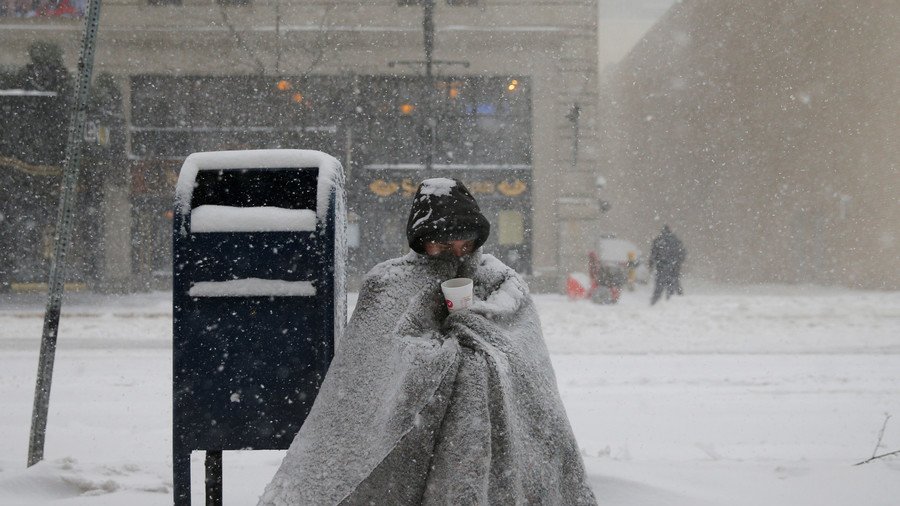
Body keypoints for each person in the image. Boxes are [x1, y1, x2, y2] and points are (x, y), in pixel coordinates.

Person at [258, 178, 596, 505]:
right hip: (410, 448)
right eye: (445, 245)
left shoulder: (499, 282)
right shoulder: (388, 284)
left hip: (491, 446)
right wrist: (433, 342)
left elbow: (526, 371)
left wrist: (472, 332)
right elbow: (370, 375)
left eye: (467, 244)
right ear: (421, 241)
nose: (458, 253)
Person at [648, 224, 686, 305]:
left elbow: (653, 255)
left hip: (661, 267)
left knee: (659, 287)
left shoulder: (658, 241)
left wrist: (651, 266)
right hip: (673, 268)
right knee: (672, 285)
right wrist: (678, 263)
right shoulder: (676, 241)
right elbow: (682, 253)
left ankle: (654, 303)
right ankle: (672, 302)